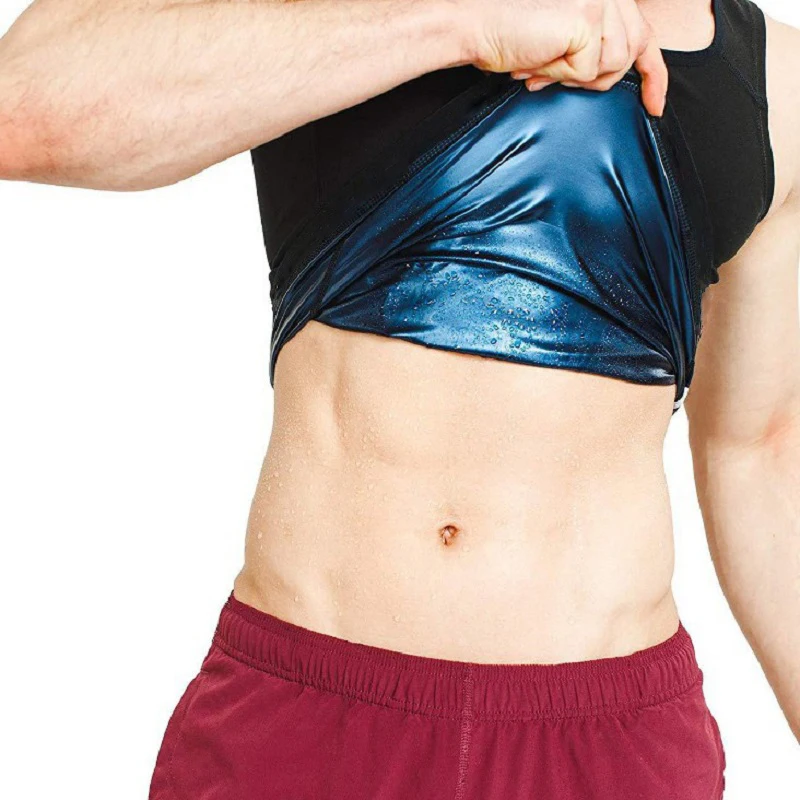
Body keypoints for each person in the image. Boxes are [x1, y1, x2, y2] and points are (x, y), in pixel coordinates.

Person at [1, 0, 798, 797]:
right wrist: (464, 21)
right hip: (308, 717)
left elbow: (758, 452)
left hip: (609, 746)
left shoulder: (778, 81)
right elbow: (22, 103)